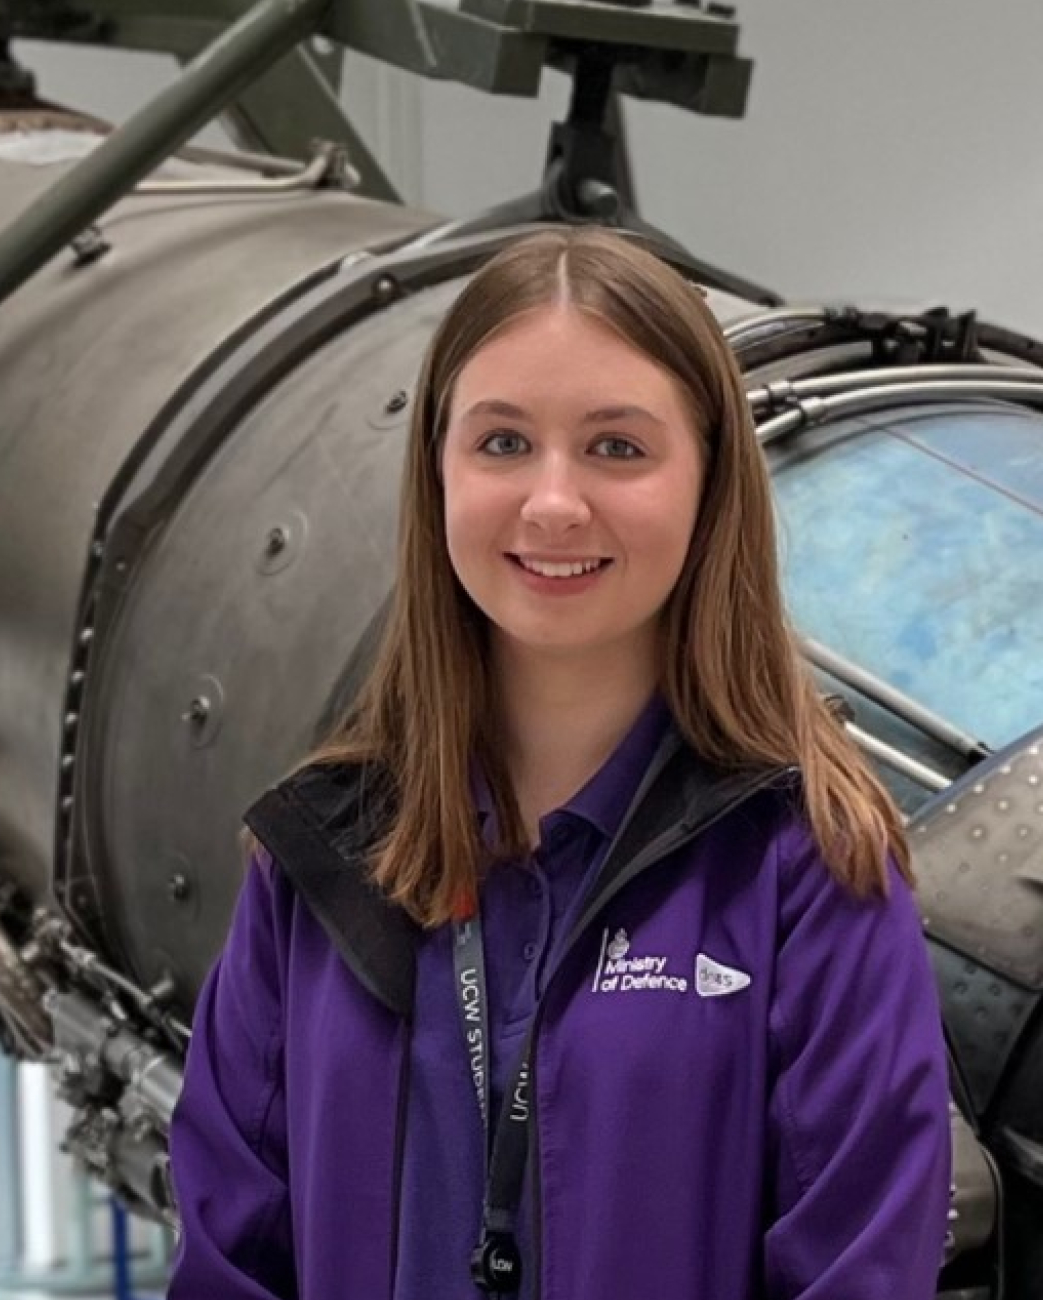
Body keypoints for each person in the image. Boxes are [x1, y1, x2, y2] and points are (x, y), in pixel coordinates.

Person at [167, 227, 952, 1299]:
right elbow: (226, 1261)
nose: (551, 503)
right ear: (437, 471)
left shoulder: (808, 870)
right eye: (501, 443)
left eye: (617, 447)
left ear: (710, 481)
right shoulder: (318, 863)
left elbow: (856, 1271)